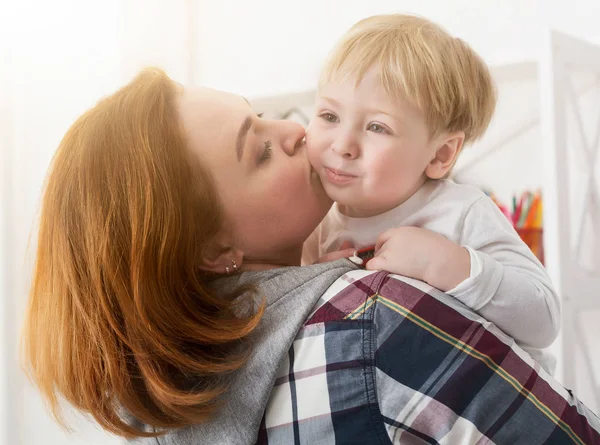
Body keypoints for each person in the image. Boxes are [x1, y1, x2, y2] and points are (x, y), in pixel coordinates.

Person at [21, 69, 600, 445]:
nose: (296, 131)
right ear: (216, 249)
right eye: (260, 150)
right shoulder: (370, 318)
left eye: (262, 113)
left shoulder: (177, 411)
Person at [302, 14, 560, 373]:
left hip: (497, 411)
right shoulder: (313, 223)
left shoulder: (461, 211)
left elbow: (544, 319)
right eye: (329, 115)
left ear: (441, 154)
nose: (343, 144)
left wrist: (448, 265)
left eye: (377, 126)